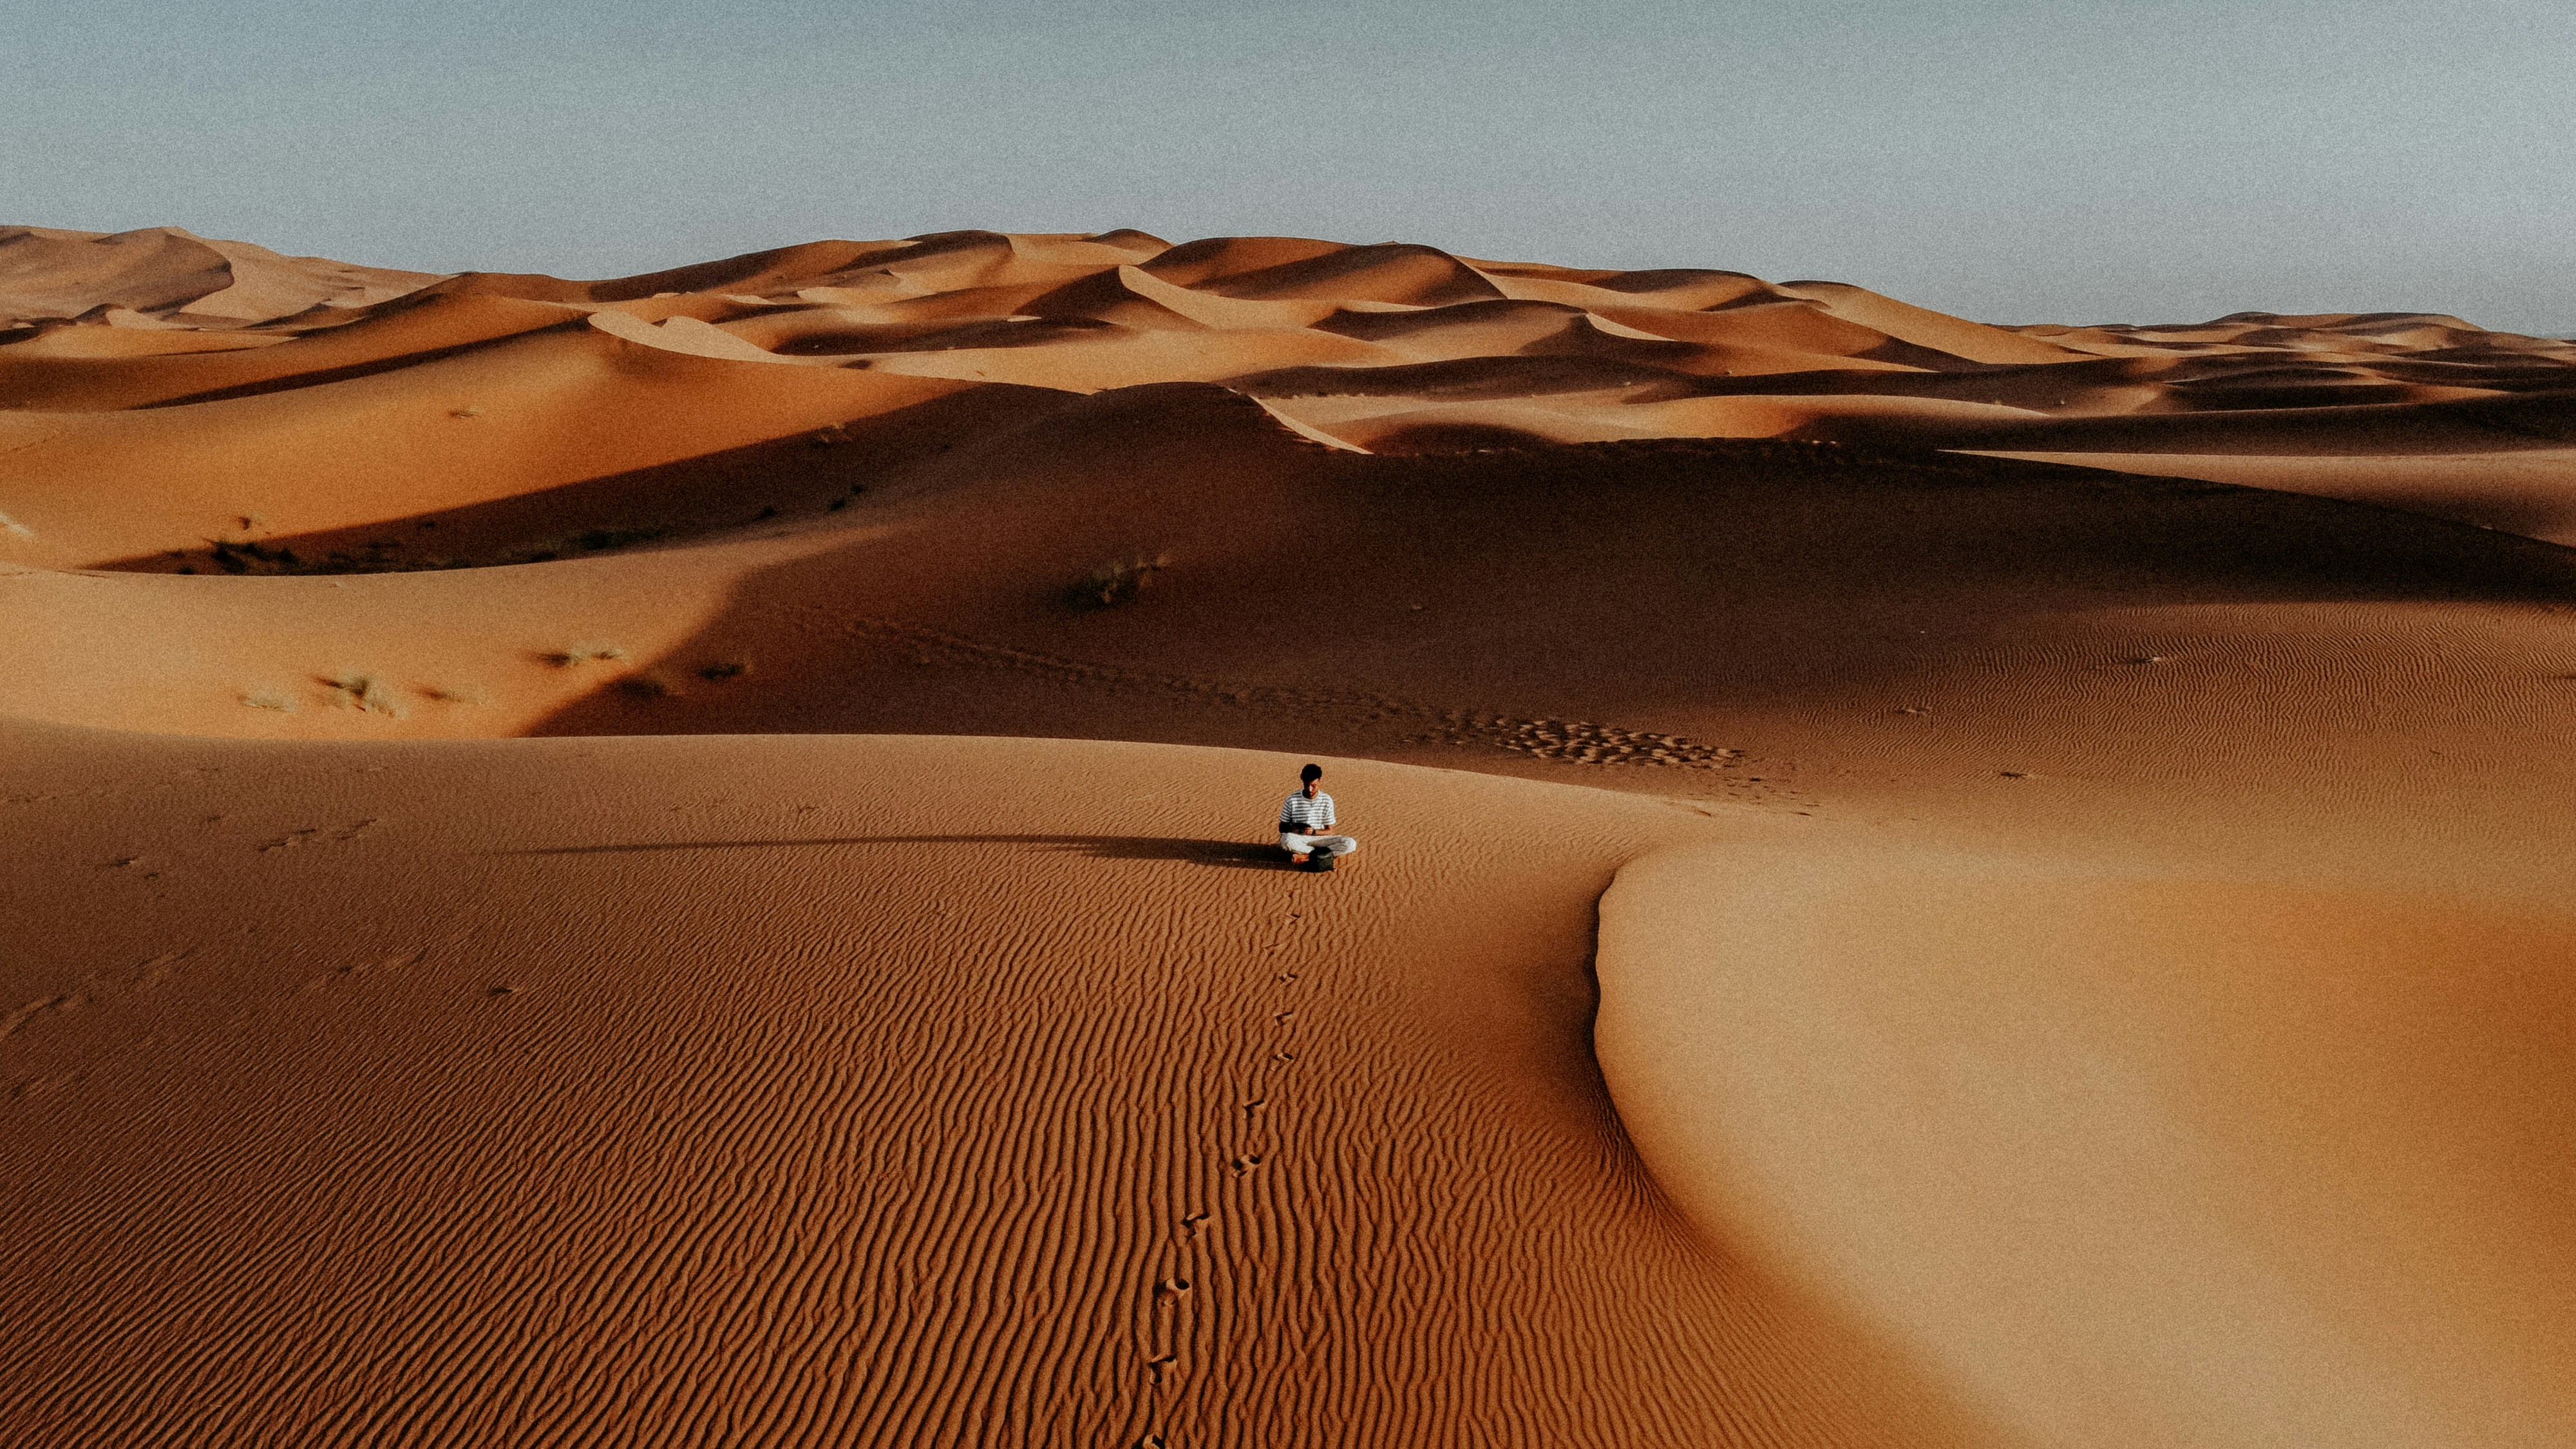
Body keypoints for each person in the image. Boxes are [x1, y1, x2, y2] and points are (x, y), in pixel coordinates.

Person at [1278, 763, 1358, 871]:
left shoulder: (1326, 800)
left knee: (1350, 843)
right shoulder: (1292, 800)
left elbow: (1330, 831)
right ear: (1302, 781)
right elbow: (1282, 828)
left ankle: (1306, 857)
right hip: (1300, 839)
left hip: (1321, 839)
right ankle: (1323, 856)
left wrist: (1314, 832)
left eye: (1314, 786)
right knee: (1286, 840)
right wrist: (1295, 829)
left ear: (1320, 782)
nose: (1310, 789)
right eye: (1307, 785)